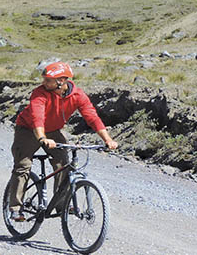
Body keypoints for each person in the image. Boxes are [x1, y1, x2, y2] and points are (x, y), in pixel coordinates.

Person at [7, 61, 118, 222]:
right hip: (28, 129)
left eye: (48, 80)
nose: (44, 82)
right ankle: (15, 208)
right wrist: (42, 138)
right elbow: (37, 117)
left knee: (64, 165)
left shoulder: (78, 95)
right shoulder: (40, 93)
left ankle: (61, 204)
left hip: (53, 130)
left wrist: (108, 139)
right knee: (23, 166)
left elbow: (92, 117)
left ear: (62, 81)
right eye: (44, 79)